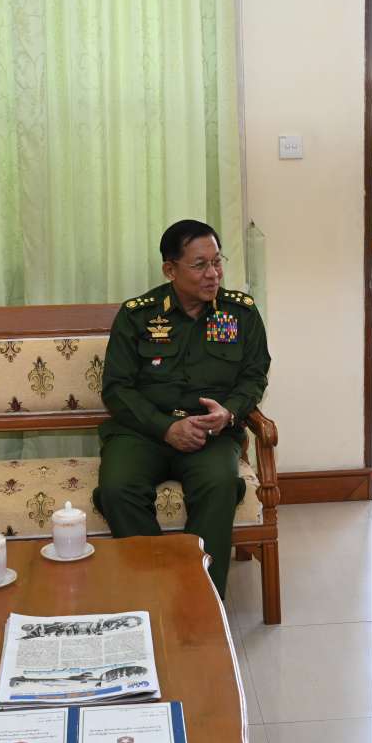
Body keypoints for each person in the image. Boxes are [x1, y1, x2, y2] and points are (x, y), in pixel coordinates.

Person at [93, 219, 271, 597]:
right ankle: (156, 589)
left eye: (217, 262)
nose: (213, 274)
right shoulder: (138, 315)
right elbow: (117, 388)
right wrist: (165, 428)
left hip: (211, 434)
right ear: (170, 269)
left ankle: (199, 599)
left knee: (220, 485)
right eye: (200, 265)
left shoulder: (240, 313)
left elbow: (254, 376)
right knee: (117, 488)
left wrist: (229, 412)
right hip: (144, 432)